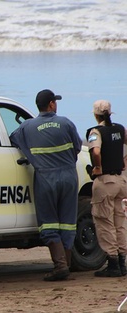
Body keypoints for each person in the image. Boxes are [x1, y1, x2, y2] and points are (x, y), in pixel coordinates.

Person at [10, 89, 82, 281]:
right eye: (55, 101)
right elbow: (77, 147)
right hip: (68, 176)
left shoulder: (27, 126)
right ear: (51, 104)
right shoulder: (66, 123)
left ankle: (60, 266)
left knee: (48, 222)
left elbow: (14, 138)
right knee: (67, 222)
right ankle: (64, 264)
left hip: (45, 178)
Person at [86, 99, 127, 277]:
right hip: (121, 181)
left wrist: (97, 167)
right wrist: (124, 162)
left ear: (96, 114)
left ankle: (112, 262)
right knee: (120, 223)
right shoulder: (120, 128)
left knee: (104, 221)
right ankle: (122, 260)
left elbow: (95, 151)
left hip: (105, 181)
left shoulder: (96, 132)